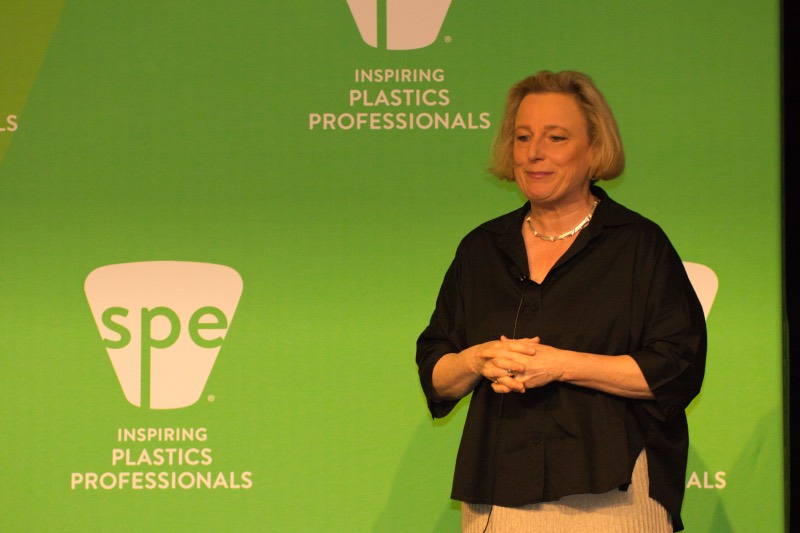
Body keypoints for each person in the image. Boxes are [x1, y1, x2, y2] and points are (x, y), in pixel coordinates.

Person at [416, 70, 706, 532]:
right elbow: (436, 372)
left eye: (556, 137)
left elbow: (677, 367)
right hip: (500, 500)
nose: (534, 152)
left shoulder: (637, 245)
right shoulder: (481, 249)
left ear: (594, 149)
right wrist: (477, 359)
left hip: (614, 496)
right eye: (523, 137)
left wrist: (561, 365)